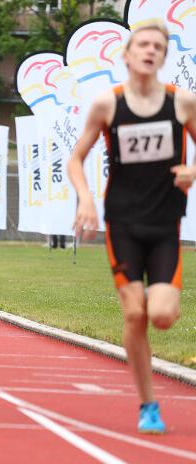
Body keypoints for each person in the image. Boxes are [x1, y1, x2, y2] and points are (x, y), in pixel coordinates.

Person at [67, 20, 196, 435]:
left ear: (163, 56)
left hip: (164, 225)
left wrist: (192, 171)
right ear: (127, 54)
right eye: (143, 44)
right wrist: (86, 198)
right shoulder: (108, 104)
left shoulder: (182, 103)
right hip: (122, 224)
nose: (150, 50)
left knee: (161, 316)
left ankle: (161, 305)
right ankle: (148, 404)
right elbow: (76, 158)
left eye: (158, 46)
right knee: (135, 313)